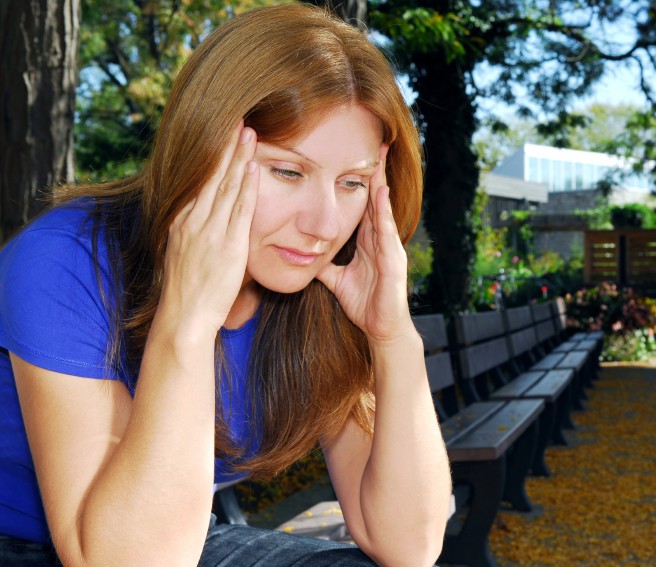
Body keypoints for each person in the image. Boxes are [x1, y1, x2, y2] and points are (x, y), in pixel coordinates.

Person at [0, 4, 452, 566]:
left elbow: (408, 546)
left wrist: (393, 340)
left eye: (352, 182)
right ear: (204, 148)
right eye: (288, 172)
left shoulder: (321, 294)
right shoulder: (65, 258)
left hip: (173, 532)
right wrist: (188, 324)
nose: (324, 224)